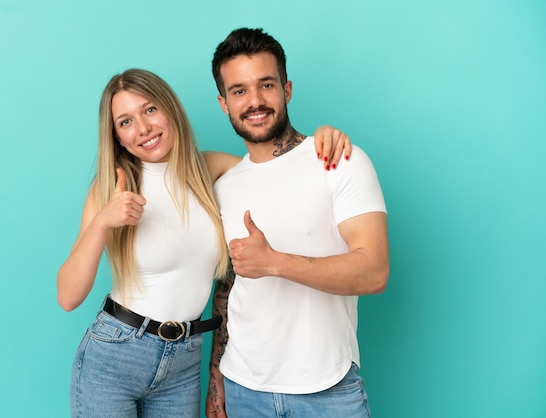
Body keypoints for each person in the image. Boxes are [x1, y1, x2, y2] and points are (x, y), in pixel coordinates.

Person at [56, 68, 351, 417]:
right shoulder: (110, 189)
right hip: (116, 355)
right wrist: (104, 220)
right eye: (125, 122)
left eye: (150, 110)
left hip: (184, 361)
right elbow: (68, 296)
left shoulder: (209, 169)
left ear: (170, 110)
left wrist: (322, 138)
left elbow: (275, 166)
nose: (143, 128)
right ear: (117, 138)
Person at [206, 28, 390, 418]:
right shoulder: (224, 186)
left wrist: (274, 262)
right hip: (242, 388)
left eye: (266, 85)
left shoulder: (338, 161)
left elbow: (374, 271)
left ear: (287, 89)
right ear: (223, 103)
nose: (254, 101)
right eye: (239, 91)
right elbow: (229, 287)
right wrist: (216, 375)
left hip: (327, 390)